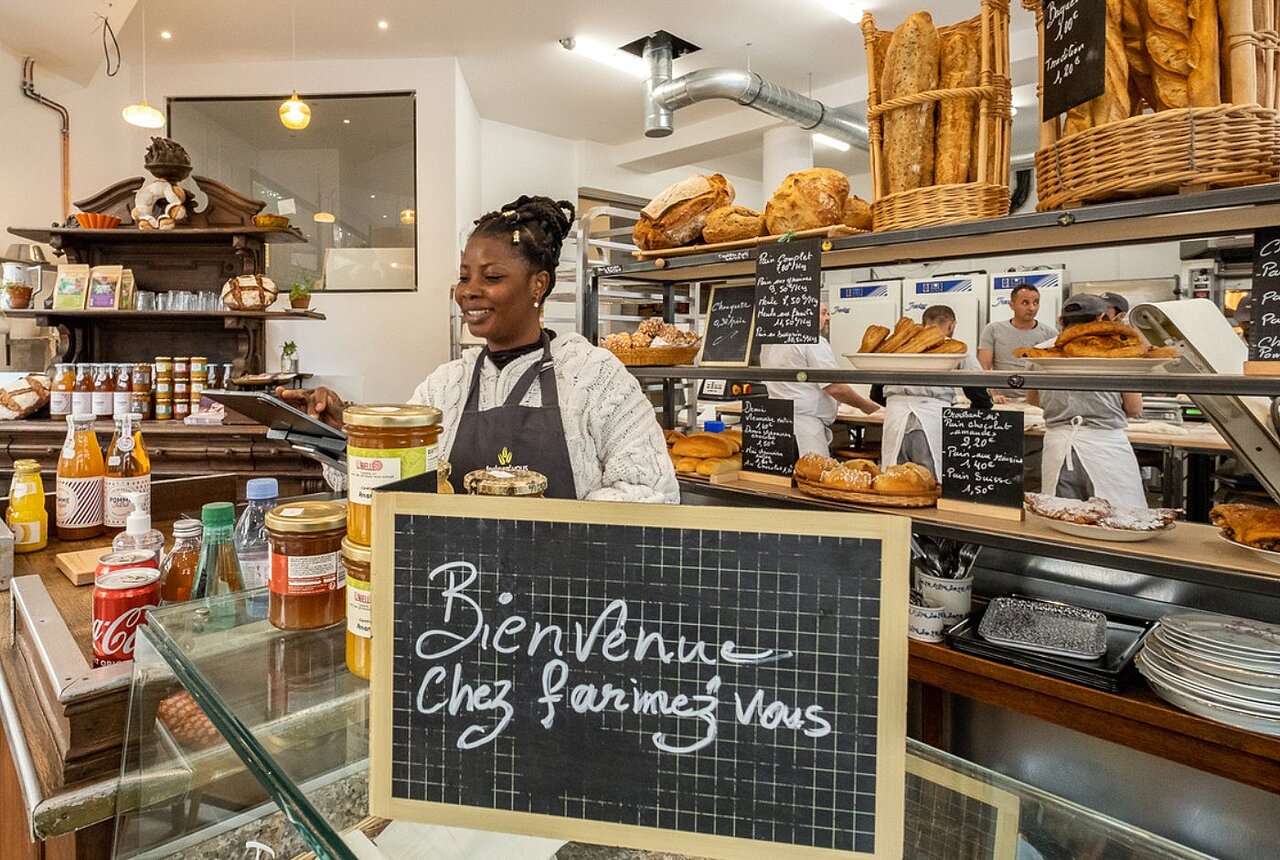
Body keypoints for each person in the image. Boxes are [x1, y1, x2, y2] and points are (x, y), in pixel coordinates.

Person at [279, 194, 679, 503]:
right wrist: (336, 434)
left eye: (491, 276)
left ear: (538, 285)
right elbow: (393, 481)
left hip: (565, 594)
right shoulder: (446, 385)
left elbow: (651, 491)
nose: (469, 291)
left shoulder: (596, 377)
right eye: (464, 276)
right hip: (460, 588)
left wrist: (549, 539)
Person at [1028, 294, 1145, 506]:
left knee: (1063, 520)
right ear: (1101, 318)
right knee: (1117, 522)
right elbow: (1134, 407)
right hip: (1106, 448)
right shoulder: (1117, 351)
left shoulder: (1041, 352)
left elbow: (1034, 399)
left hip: (1058, 448)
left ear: (1060, 321)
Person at [870, 305, 993, 478]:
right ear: (951, 325)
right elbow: (979, 393)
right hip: (932, 418)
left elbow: (875, 393)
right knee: (927, 480)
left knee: (893, 480)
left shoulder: (898, 349)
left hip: (895, 419)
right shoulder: (955, 349)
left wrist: (898, 402)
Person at [759, 302, 880, 457]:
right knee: (811, 476)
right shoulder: (813, 341)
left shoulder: (770, 343)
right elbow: (835, 388)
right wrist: (866, 406)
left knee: (785, 478)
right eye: (823, 313)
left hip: (777, 424)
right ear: (806, 316)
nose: (828, 317)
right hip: (806, 428)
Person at [977, 283, 1057, 402]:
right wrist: (992, 395)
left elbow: (1053, 372)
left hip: (1038, 403)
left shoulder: (1050, 334)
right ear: (1011, 305)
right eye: (1025, 303)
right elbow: (983, 367)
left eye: (1036, 302)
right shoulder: (993, 329)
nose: (1032, 308)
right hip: (1002, 400)